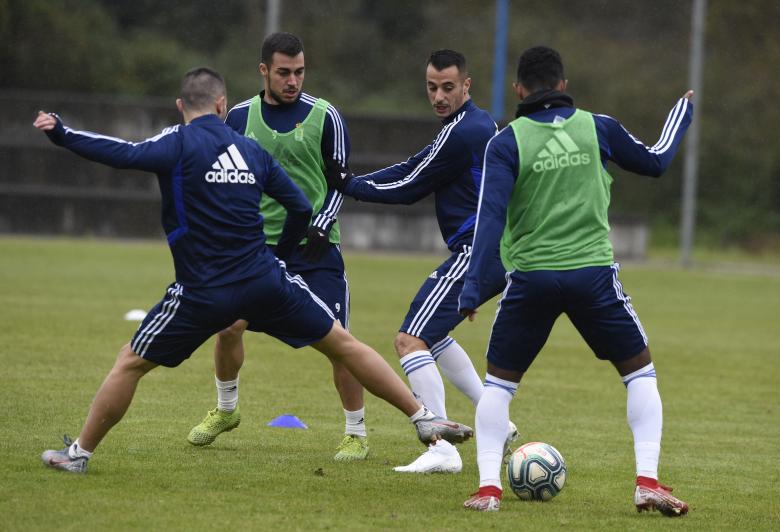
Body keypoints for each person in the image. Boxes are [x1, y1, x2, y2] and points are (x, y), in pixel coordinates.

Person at [37, 67, 473, 474]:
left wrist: (63, 134)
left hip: (202, 290)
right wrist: (280, 257)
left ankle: (79, 454)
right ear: (223, 105)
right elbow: (301, 207)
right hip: (265, 279)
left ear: (180, 106)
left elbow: (123, 154)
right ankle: (422, 417)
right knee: (343, 343)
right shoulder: (251, 150)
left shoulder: (177, 141)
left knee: (130, 363)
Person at [458, 46, 692, 515]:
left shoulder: (506, 142)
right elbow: (656, 160)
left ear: (519, 90)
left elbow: (490, 219)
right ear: (563, 85)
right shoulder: (597, 126)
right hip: (592, 276)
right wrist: (681, 115)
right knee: (639, 373)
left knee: (499, 386)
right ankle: (647, 482)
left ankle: (487, 491)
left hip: (532, 280)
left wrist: (473, 288)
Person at [325, 49, 516, 474]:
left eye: (448, 87)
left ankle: (441, 447)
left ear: (467, 86)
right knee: (434, 336)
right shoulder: (470, 125)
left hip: (478, 250)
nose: (439, 96)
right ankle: (496, 423)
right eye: (432, 87)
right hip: (493, 250)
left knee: (410, 341)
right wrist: (353, 182)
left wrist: (350, 187)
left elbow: (411, 185)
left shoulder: (464, 131)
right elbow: (415, 165)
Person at [185, 33, 368, 462]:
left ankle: (356, 433)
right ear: (264, 70)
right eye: (284, 72)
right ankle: (226, 411)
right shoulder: (238, 118)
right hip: (254, 250)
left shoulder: (327, 117)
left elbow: (341, 182)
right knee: (228, 326)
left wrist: (321, 224)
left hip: (315, 251)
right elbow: (218, 178)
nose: (293, 80)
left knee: (339, 341)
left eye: (300, 72)